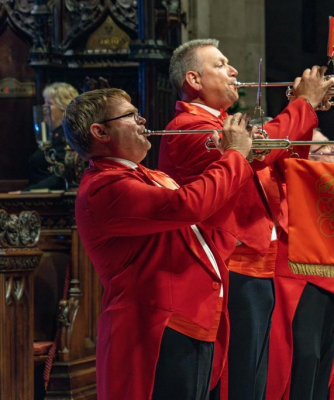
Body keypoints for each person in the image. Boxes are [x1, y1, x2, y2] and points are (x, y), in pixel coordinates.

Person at [158, 38, 334, 400]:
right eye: (221, 64)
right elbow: (260, 153)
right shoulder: (187, 127)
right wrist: (302, 103)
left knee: (253, 376)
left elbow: (284, 154)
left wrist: (300, 107)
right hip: (230, 265)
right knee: (239, 378)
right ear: (194, 80)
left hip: (256, 265)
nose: (234, 71)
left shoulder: (227, 124)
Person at [62, 88, 253, 400]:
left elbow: (205, 221)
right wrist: (234, 156)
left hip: (191, 319)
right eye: (131, 115)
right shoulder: (103, 188)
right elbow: (188, 206)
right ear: (101, 131)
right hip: (157, 325)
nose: (143, 120)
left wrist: (231, 161)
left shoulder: (148, 176)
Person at [27, 82, 79, 190]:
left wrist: (28, 192)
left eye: (49, 103)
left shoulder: (68, 137)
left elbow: (62, 175)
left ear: (64, 107)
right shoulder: (52, 135)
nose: (43, 107)